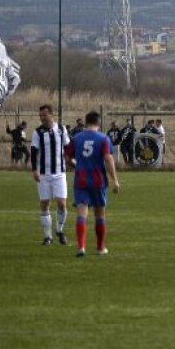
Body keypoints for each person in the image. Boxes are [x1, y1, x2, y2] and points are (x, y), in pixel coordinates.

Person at [70, 110, 120, 257]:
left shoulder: (77, 138)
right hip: (98, 181)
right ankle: (100, 248)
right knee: (99, 215)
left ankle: (81, 247)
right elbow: (108, 159)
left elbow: (67, 158)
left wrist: (77, 165)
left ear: (85, 122)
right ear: (99, 123)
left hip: (81, 180)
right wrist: (115, 180)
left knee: (81, 213)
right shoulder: (103, 138)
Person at [30, 105, 70, 246]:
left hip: (60, 173)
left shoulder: (61, 129)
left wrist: (72, 160)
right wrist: (34, 169)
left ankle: (59, 230)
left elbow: (68, 147)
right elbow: (34, 151)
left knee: (62, 203)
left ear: (51, 115)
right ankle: (48, 237)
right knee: (45, 204)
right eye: (40, 115)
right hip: (43, 174)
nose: (42, 117)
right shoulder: (37, 132)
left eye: (44, 115)